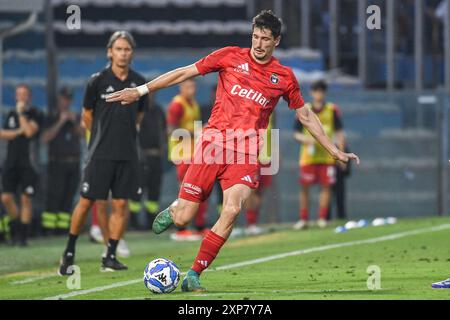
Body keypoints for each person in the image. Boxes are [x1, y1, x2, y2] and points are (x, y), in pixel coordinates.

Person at [106, 10, 359, 292]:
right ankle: (176, 209)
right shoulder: (229, 56)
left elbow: (306, 116)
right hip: (212, 145)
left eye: (265, 39)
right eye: (255, 37)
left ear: (276, 40)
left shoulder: (284, 77)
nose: (259, 44)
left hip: (246, 154)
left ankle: (194, 273)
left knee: (232, 208)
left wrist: (334, 149)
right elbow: (184, 72)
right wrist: (140, 91)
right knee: (183, 218)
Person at [58, 31, 148, 275]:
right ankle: (68, 252)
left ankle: (110, 255)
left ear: (132, 53)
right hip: (100, 153)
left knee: (120, 204)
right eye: (118, 49)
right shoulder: (96, 81)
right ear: (110, 52)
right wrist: (102, 136)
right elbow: (86, 115)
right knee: (87, 202)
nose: (123, 53)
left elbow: (139, 115)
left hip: (128, 154)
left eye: (127, 49)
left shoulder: (140, 83)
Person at [293, 80, 346, 230]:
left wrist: (340, 152)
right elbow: (296, 133)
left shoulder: (332, 109)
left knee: (326, 187)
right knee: (304, 187)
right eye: (316, 90)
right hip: (308, 156)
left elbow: (339, 133)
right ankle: (303, 219)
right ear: (311, 92)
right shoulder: (304, 109)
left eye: (321, 91)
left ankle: (322, 218)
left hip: (327, 156)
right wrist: (306, 139)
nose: (319, 94)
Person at [166, 78, 208, 241]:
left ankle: (199, 227)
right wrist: (196, 132)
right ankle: (180, 229)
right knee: (186, 191)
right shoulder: (177, 105)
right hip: (182, 153)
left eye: (194, 86)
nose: (192, 89)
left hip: (193, 153)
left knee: (199, 190)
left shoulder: (193, 103)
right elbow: (171, 129)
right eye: (188, 86)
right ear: (181, 88)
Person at [0, 84, 40, 246]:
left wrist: (21, 114)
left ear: (29, 97)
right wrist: (17, 132)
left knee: (25, 199)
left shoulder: (35, 113)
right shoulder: (10, 114)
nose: (21, 97)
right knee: (6, 197)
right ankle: (15, 227)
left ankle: (23, 236)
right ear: (16, 96)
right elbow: (2, 133)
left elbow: (30, 132)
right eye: (19, 94)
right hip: (11, 162)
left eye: (24, 94)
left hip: (27, 163)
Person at [41, 86, 83, 235]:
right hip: (57, 162)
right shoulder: (51, 116)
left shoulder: (75, 116)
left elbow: (83, 133)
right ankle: (48, 228)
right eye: (64, 99)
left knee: (69, 195)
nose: (66, 102)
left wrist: (72, 121)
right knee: (54, 194)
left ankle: (63, 228)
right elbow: (45, 138)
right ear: (59, 100)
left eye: (69, 99)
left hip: (73, 162)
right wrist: (60, 121)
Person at [128, 89, 167, 230]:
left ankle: (152, 221)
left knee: (154, 191)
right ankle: (134, 223)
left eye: (153, 93)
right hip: (141, 157)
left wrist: (164, 145)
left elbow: (163, 130)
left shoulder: (158, 111)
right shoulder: (137, 111)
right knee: (138, 190)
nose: (151, 96)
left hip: (156, 157)